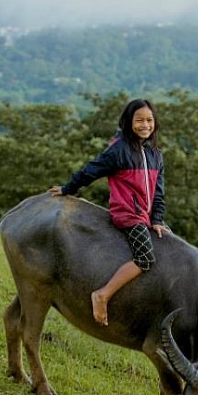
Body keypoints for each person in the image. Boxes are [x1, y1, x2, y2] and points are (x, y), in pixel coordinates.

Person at [49, 99, 170, 325]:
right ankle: (102, 294)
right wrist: (68, 188)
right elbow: (91, 170)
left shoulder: (156, 153)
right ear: (128, 122)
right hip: (127, 214)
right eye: (139, 120)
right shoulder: (119, 149)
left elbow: (159, 191)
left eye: (149, 120)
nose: (145, 125)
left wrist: (157, 219)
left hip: (145, 215)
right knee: (145, 259)